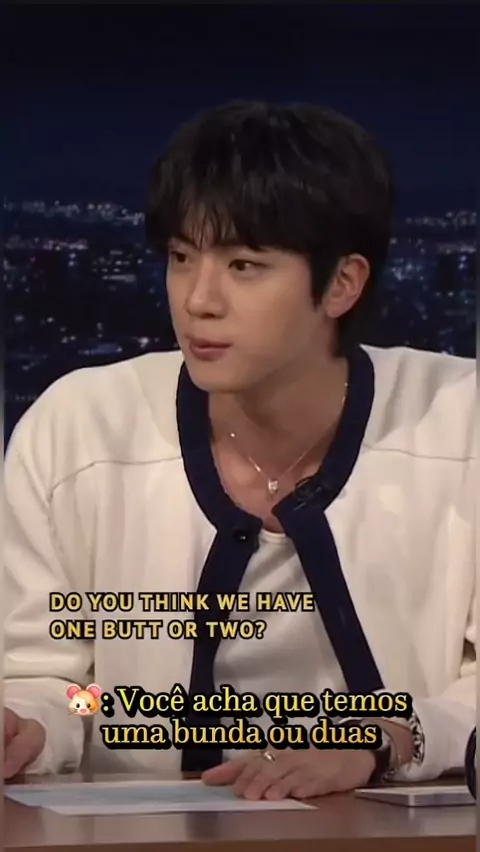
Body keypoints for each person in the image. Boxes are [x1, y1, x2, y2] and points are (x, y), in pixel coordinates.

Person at [4, 101, 475, 802]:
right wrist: (36, 721)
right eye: (181, 258)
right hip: (151, 837)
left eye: (245, 265)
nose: (198, 299)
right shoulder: (79, 428)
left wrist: (389, 737)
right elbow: (66, 688)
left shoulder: (461, 423)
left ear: (342, 284)